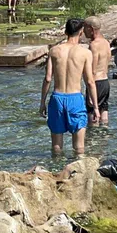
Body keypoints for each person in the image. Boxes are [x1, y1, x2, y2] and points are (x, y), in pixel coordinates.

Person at [39, 19, 97, 156]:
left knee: (57, 146)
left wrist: (42, 103)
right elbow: (90, 81)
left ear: (65, 32)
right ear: (81, 32)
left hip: (57, 98)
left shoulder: (54, 51)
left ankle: (55, 170)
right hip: (75, 98)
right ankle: (78, 171)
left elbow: (48, 78)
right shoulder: (85, 53)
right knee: (79, 147)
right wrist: (95, 107)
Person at [83, 16, 112, 126]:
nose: (83, 31)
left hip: (96, 83)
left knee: (92, 114)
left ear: (91, 28)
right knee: (104, 111)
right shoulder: (106, 42)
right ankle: (104, 138)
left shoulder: (93, 45)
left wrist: (91, 93)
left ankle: (93, 140)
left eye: (85, 28)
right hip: (105, 82)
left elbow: (93, 70)